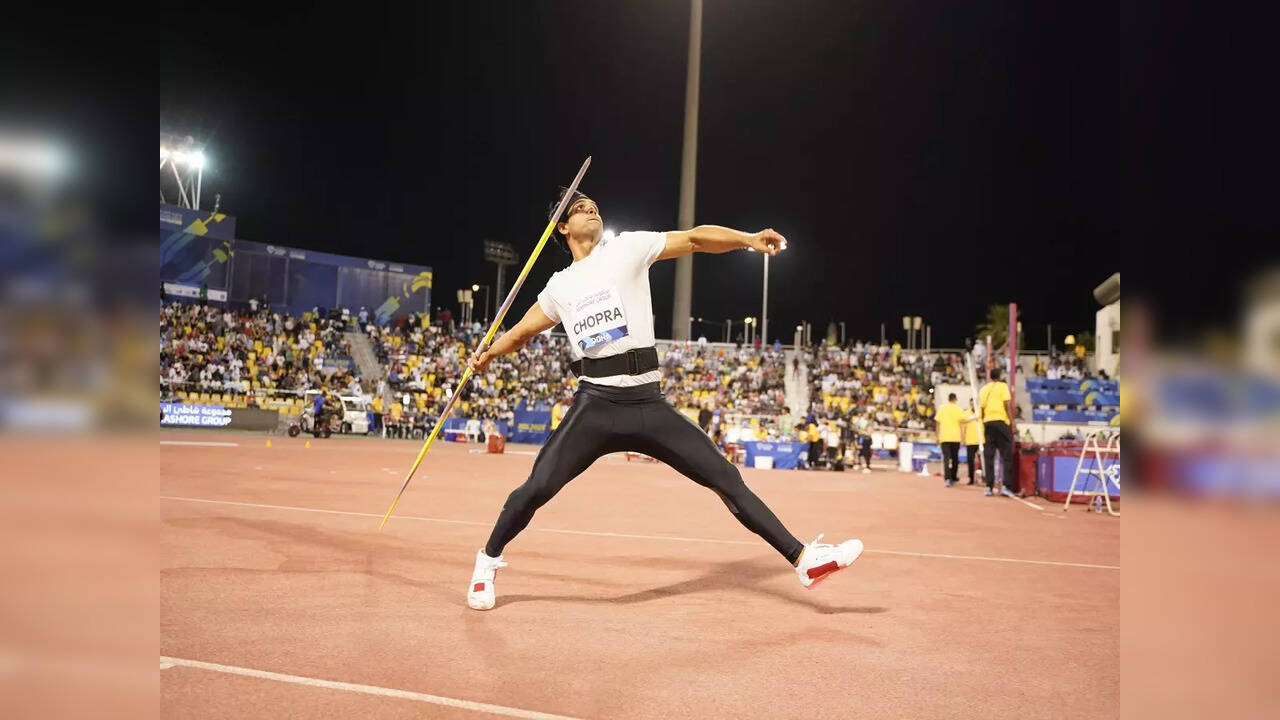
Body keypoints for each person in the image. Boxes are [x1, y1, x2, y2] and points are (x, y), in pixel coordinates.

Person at [461, 191, 863, 610]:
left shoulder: (627, 248)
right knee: (536, 488)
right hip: (596, 405)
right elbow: (522, 332)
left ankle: (804, 560)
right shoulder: (561, 286)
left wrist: (747, 239)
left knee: (725, 478)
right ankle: (486, 562)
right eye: (579, 208)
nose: (590, 208)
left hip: (649, 405)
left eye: (593, 204)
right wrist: (488, 355)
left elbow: (693, 239)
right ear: (561, 228)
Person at [978, 367, 1015, 497]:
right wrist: (1013, 425)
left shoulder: (984, 389)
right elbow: (1007, 406)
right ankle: (1006, 486)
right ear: (999, 376)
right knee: (1006, 456)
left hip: (988, 423)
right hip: (1000, 422)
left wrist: (984, 425)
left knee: (989, 457)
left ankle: (989, 487)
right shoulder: (1003, 386)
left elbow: (981, 410)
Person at [934, 392, 971, 487]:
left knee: (946, 458)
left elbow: (937, 423)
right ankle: (953, 477)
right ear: (955, 399)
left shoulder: (942, 408)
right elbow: (962, 422)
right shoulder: (958, 409)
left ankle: (947, 478)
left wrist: (937, 436)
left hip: (944, 437)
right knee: (955, 458)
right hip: (955, 437)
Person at [963, 399, 983, 485]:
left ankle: (982, 478)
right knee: (970, 461)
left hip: (980, 440)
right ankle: (971, 478)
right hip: (970, 440)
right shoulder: (966, 413)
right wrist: (963, 439)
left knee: (981, 461)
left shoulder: (981, 412)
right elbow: (963, 425)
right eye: (971, 403)